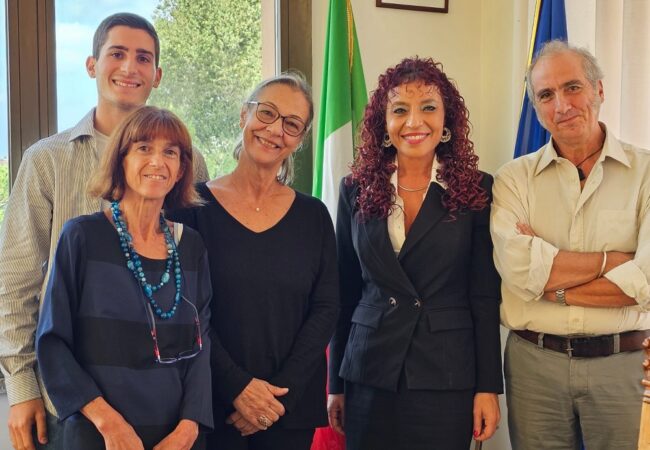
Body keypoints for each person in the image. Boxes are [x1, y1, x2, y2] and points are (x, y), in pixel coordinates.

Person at [0, 12, 208, 450]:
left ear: (157, 75)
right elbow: (15, 282)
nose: (130, 67)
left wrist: (190, 422)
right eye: (117, 54)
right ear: (92, 65)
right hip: (74, 405)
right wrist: (22, 388)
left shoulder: (189, 165)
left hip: (163, 409)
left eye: (143, 58)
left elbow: (188, 294)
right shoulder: (46, 160)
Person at [327, 56, 502, 450]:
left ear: (446, 120)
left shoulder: (476, 189)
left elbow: (483, 294)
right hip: (369, 370)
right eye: (400, 110)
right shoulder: (354, 189)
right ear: (384, 123)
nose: (414, 121)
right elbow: (344, 291)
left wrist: (488, 386)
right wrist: (335, 383)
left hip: (445, 373)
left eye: (428, 107)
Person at [491, 40, 650, 450]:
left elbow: (647, 283)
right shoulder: (512, 180)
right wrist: (613, 261)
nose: (562, 105)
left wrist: (551, 286)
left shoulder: (647, 173)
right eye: (546, 95)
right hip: (535, 366)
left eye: (573, 87)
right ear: (537, 109)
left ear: (599, 90)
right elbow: (518, 270)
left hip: (625, 366)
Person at [169, 72, 339, 450]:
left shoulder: (314, 216)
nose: (275, 129)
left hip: (289, 409)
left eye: (292, 124)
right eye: (267, 112)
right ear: (243, 115)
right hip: (209, 407)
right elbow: (183, 309)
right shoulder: (188, 207)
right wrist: (238, 388)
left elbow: (326, 309)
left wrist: (275, 398)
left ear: (299, 140)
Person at [35, 106, 212, 449]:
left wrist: (188, 429)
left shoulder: (191, 246)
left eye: (170, 152)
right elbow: (52, 342)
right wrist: (110, 424)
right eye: (144, 148)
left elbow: (201, 346)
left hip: (176, 437)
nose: (157, 161)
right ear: (121, 160)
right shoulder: (82, 237)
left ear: (181, 170)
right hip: (98, 433)